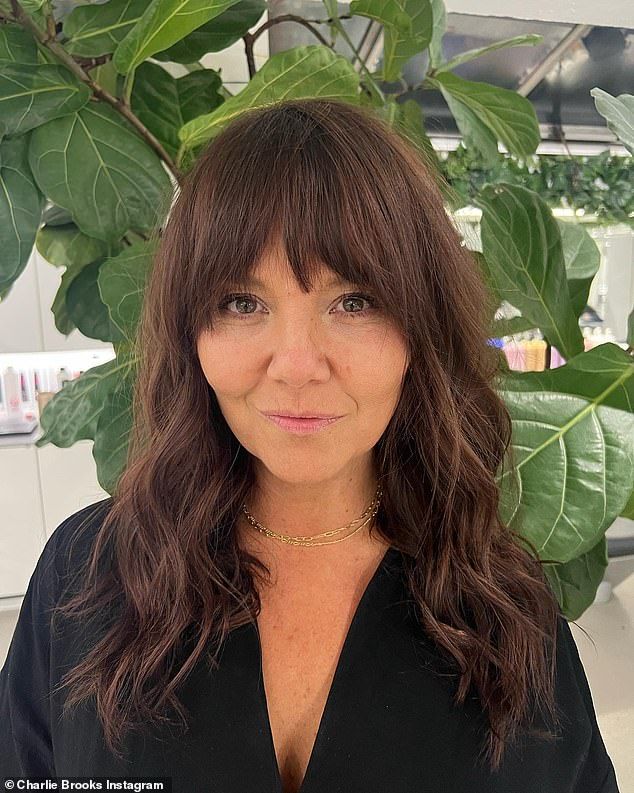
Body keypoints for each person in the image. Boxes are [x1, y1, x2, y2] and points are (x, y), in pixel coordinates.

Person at [0, 98, 620, 793]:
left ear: (421, 328)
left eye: (354, 300)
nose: (296, 364)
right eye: (242, 302)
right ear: (189, 332)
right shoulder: (85, 578)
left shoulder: (508, 611)